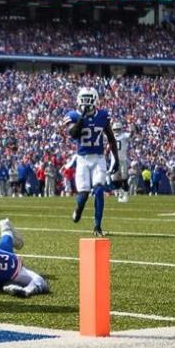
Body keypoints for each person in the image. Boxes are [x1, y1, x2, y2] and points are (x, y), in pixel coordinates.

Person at [62, 87, 119, 237]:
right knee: (84, 194)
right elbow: (73, 134)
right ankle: (79, 209)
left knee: (99, 189)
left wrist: (116, 159)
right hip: (82, 160)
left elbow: (111, 139)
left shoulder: (102, 115)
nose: (87, 102)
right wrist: (82, 118)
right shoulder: (73, 115)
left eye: (89, 98)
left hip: (99, 158)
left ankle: (97, 226)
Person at [110, 122, 131, 202]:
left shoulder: (124, 136)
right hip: (114, 160)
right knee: (113, 178)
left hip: (123, 159)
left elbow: (130, 136)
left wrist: (133, 131)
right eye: (115, 129)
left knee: (124, 177)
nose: (117, 131)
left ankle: (125, 194)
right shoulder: (110, 136)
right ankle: (120, 192)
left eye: (118, 129)